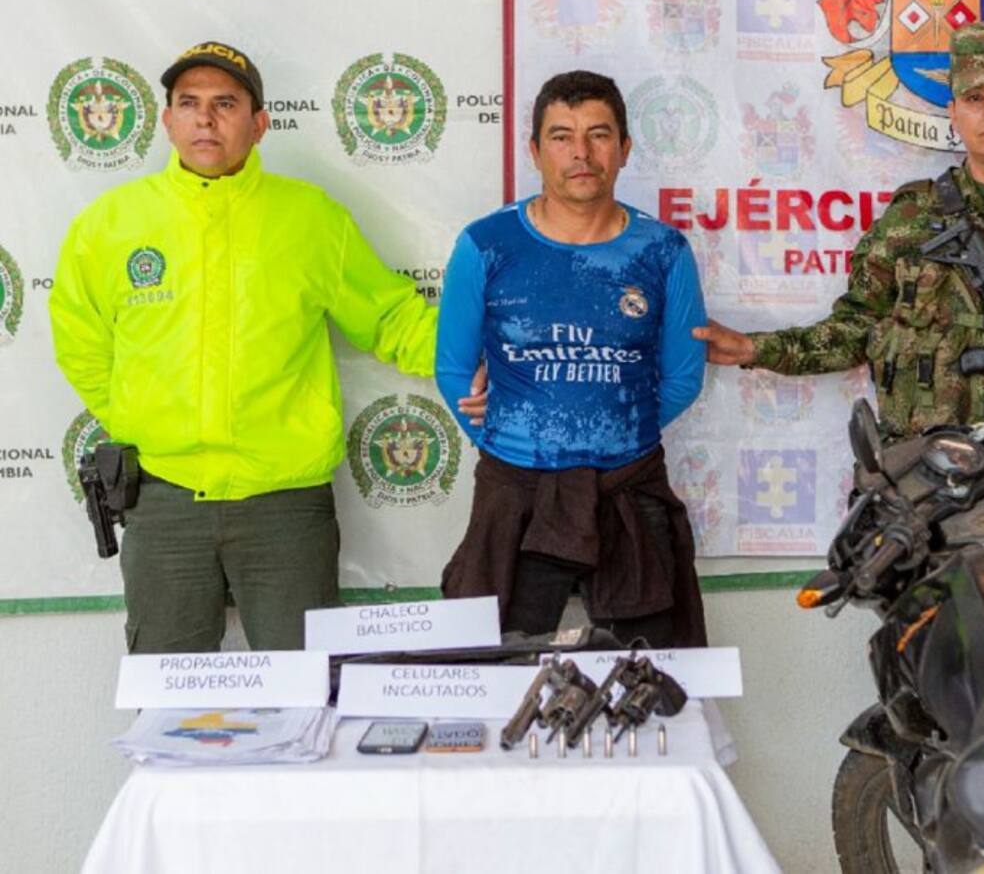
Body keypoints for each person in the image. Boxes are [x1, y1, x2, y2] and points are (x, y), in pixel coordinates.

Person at [695, 20, 984, 539]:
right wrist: (754, 348)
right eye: (974, 97)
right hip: (929, 504)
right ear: (953, 111)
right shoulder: (911, 221)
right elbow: (858, 330)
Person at [49, 41, 438, 653]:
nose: (206, 119)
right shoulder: (110, 224)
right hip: (164, 500)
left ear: (259, 124)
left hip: (284, 507)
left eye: (225, 103)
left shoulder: (311, 218)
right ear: (167, 119)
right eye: (190, 103)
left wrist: (488, 355)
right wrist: (133, 418)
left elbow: (391, 318)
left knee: (307, 698)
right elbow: (80, 337)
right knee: (169, 700)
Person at [436, 70, 708, 648]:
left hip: (629, 485)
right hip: (517, 490)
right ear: (535, 151)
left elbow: (683, 376)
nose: (580, 153)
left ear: (625, 149)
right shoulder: (486, 244)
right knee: (492, 662)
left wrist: (613, 429)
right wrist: (506, 440)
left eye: (599, 135)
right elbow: (454, 368)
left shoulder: (663, 251)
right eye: (561, 136)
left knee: (654, 671)